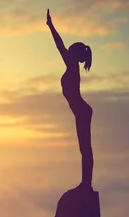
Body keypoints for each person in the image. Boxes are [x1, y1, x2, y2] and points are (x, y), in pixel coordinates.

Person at [46, 9, 94, 189]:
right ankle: (85, 183)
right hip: (81, 111)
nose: (66, 51)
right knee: (84, 148)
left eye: (69, 50)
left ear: (73, 54)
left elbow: (59, 45)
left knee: (85, 148)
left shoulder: (72, 66)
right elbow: (61, 46)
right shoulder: (72, 67)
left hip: (82, 111)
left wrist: (51, 25)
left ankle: (86, 184)